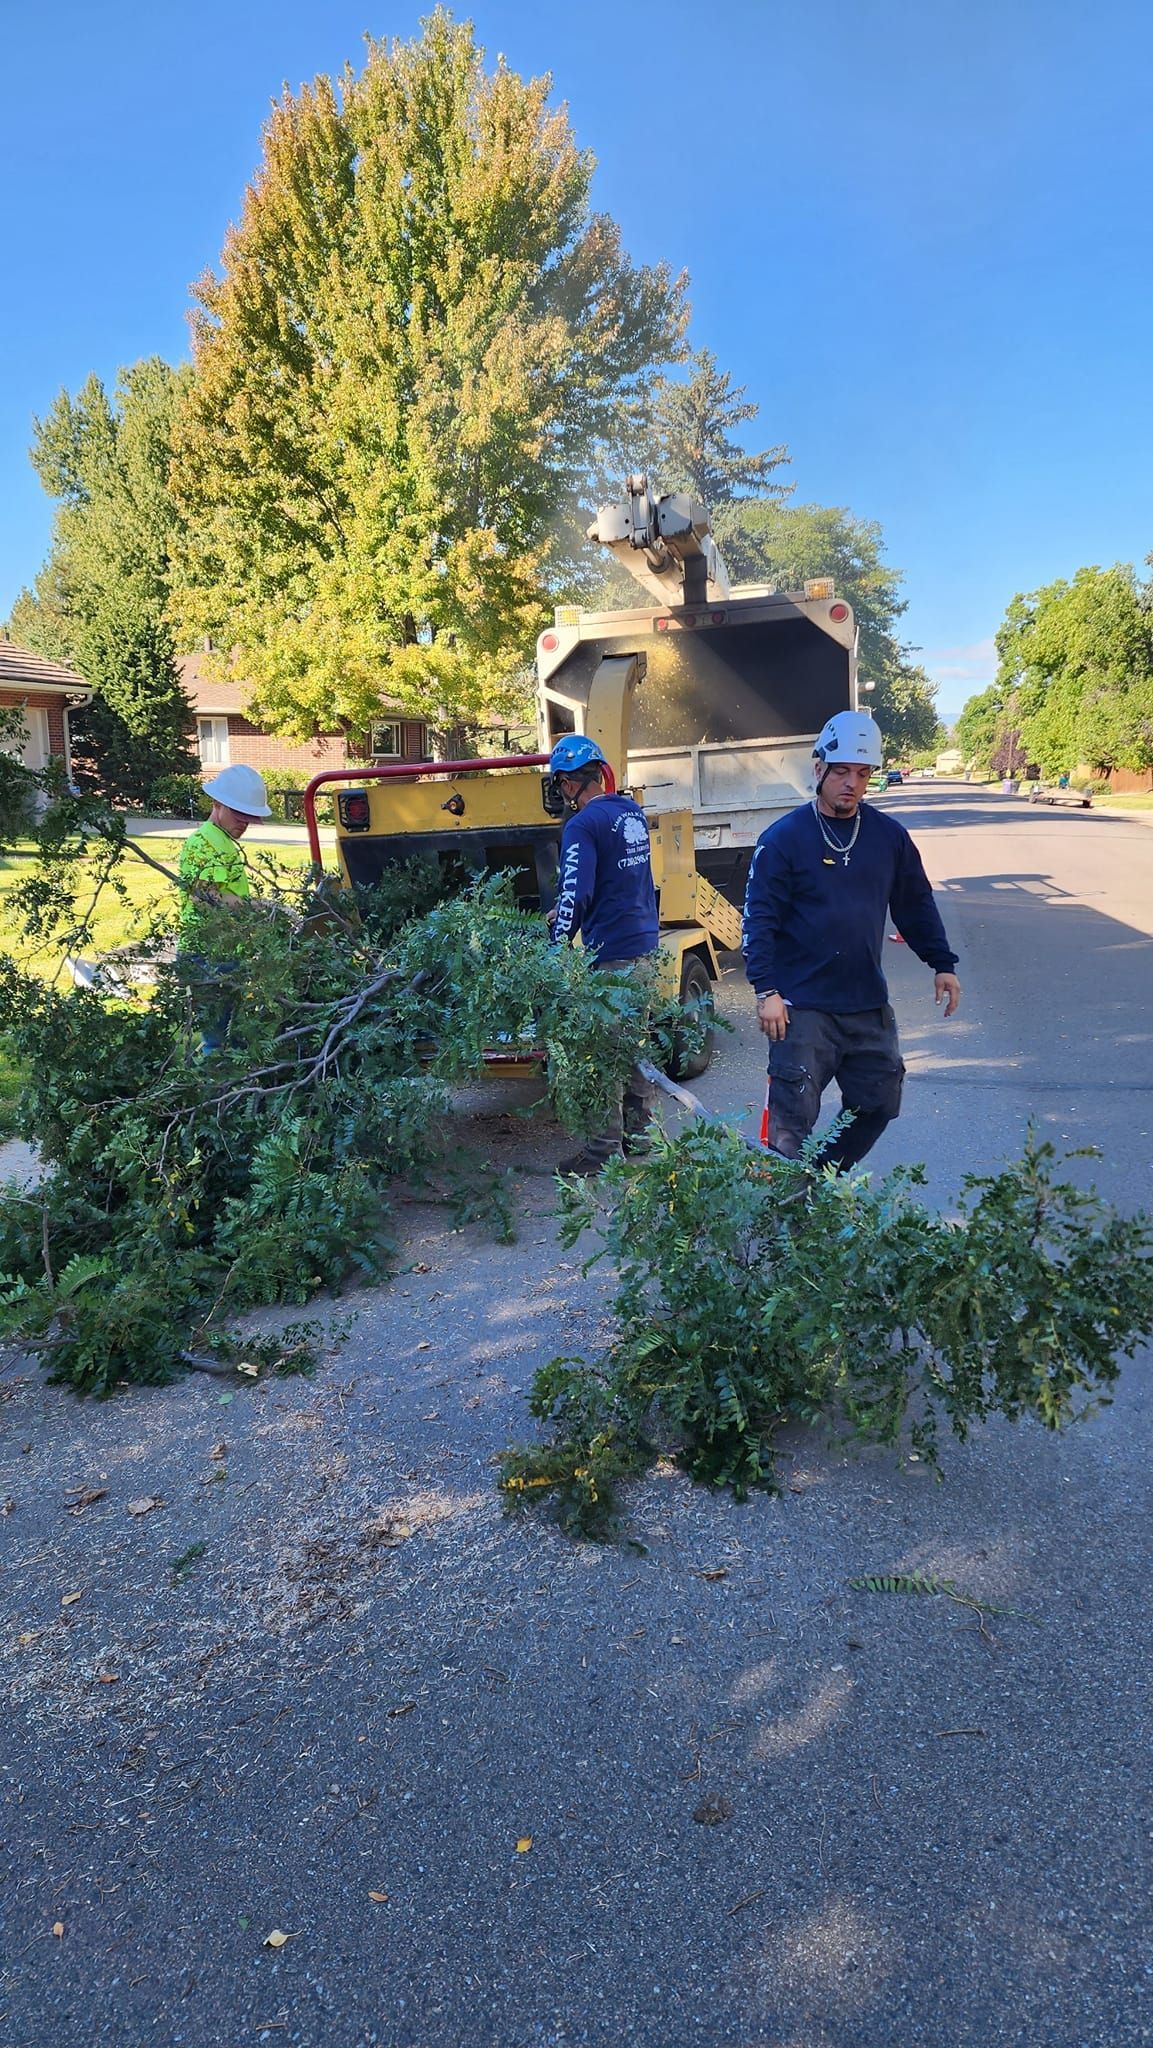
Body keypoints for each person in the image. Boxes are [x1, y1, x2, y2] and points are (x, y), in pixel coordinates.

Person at [742, 711, 961, 1173]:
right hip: (800, 1010)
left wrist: (941, 962)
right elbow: (759, 920)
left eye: (862, 774)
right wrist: (766, 991)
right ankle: (790, 1222)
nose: (852, 784)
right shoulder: (782, 841)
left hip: (866, 1005)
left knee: (880, 1103)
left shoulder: (888, 838)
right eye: (841, 771)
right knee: (790, 1130)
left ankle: (821, 1179)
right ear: (818, 768)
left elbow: (915, 904)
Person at [547, 735, 659, 1175]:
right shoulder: (630, 812)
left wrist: (556, 945)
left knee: (603, 1057)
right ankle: (639, 1135)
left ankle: (601, 1151)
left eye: (562, 786)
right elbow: (623, 880)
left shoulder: (581, 825)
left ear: (570, 784)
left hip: (610, 957)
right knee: (633, 1049)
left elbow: (577, 891)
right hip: (644, 949)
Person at [178, 764, 272, 1051]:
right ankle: (211, 1089)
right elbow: (205, 899)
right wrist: (257, 906)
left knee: (235, 1029)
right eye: (238, 814)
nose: (244, 823)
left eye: (249, 818)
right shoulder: (203, 843)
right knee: (216, 1037)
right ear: (217, 804)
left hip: (227, 949)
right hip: (205, 953)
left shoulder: (224, 841)